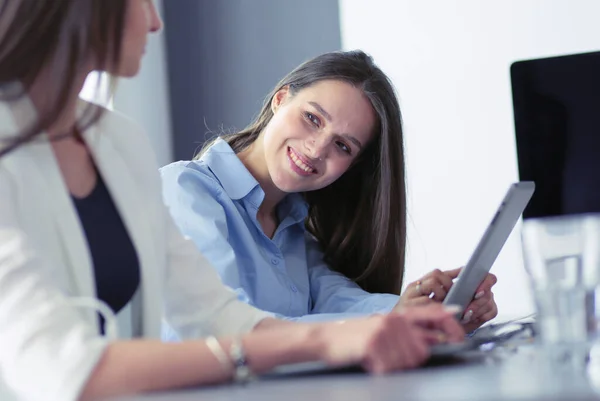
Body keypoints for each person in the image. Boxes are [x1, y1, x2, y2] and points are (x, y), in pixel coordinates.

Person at [0, 1, 465, 400]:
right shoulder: (184, 188)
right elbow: (62, 370)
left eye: (343, 146)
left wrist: (407, 318)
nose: (156, 23)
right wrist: (326, 341)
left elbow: (216, 314)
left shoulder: (119, 141)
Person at [160, 50, 498, 335]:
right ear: (280, 99)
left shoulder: (293, 226)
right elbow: (225, 329)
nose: (317, 149)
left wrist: (428, 309)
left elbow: (338, 300)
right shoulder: (185, 192)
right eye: (312, 118)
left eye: (342, 146)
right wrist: (386, 324)